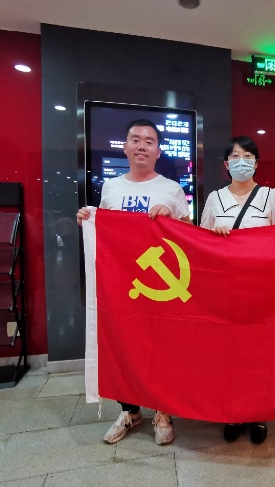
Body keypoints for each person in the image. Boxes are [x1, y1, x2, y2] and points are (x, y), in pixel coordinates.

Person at [77, 119, 192, 446]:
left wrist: (171, 220)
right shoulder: (111, 187)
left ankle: (163, 411)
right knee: (123, 345)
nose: (142, 146)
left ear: (158, 151)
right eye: (136, 140)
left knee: (161, 349)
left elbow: (191, 234)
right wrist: (88, 221)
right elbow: (106, 231)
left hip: (161, 287)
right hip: (121, 285)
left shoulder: (172, 189)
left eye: (149, 141)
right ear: (126, 147)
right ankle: (130, 411)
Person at [200, 135, 275, 444]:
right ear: (226, 164)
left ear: (256, 163)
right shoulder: (215, 198)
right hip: (226, 291)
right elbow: (200, 243)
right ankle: (235, 411)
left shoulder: (271, 196)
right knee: (231, 354)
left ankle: (259, 412)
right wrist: (214, 236)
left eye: (248, 156)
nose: (242, 161)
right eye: (236, 156)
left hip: (262, 290)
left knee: (260, 354)